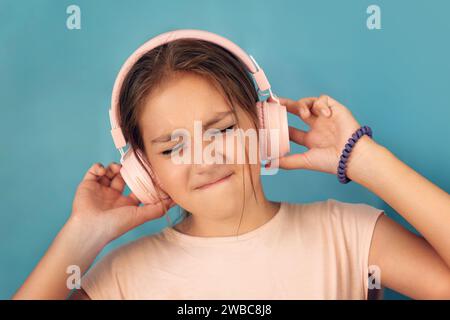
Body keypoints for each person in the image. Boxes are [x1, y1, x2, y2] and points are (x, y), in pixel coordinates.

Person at [12, 38, 450, 300]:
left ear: (265, 126)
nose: (205, 159)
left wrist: (363, 158)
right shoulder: (120, 278)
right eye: (172, 147)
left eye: (221, 131)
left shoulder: (351, 235)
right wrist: (82, 234)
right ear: (144, 170)